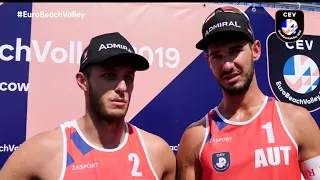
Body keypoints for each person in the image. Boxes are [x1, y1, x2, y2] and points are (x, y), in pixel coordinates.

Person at [0, 32, 176, 180]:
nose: (122, 87)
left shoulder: (158, 153)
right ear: (83, 81)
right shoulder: (44, 151)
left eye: (128, 77)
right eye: (109, 75)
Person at [176, 6, 320, 180]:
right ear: (208, 61)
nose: (227, 65)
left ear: (256, 50)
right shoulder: (196, 137)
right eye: (217, 56)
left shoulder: (296, 120)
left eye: (235, 51)